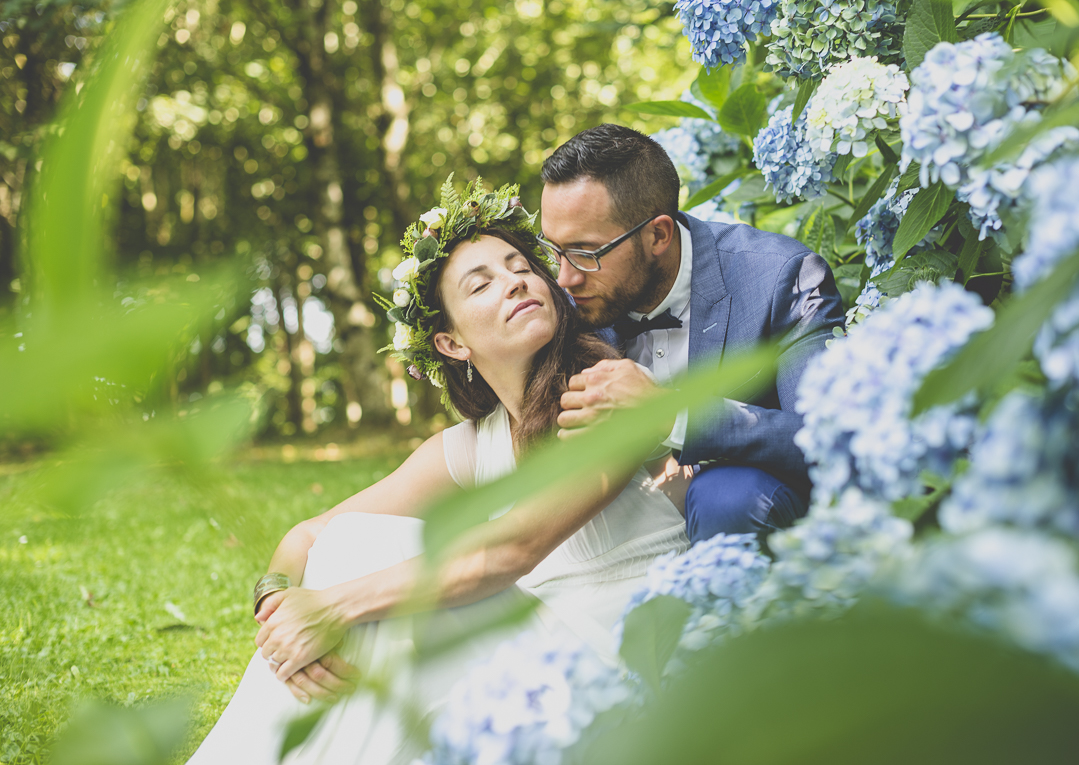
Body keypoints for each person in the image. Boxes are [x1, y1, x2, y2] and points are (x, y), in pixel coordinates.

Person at [185, 180, 689, 764]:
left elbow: (511, 550)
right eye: (482, 284)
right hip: (535, 656)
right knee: (352, 554)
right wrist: (278, 608)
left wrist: (332, 608)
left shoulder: (601, 394)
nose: (515, 281)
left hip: (618, 665)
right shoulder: (472, 447)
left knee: (365, 578)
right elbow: (310, 535)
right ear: (451, 343)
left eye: (520, 267)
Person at [539, 124, 846, 543]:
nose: (565, 277)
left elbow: (826, 441)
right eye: (554, 249)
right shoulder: (564, 300)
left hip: (756, 522)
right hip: (621, 532)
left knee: (727, 497)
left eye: (585, 253)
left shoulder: (781, 279)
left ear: (658, 235)